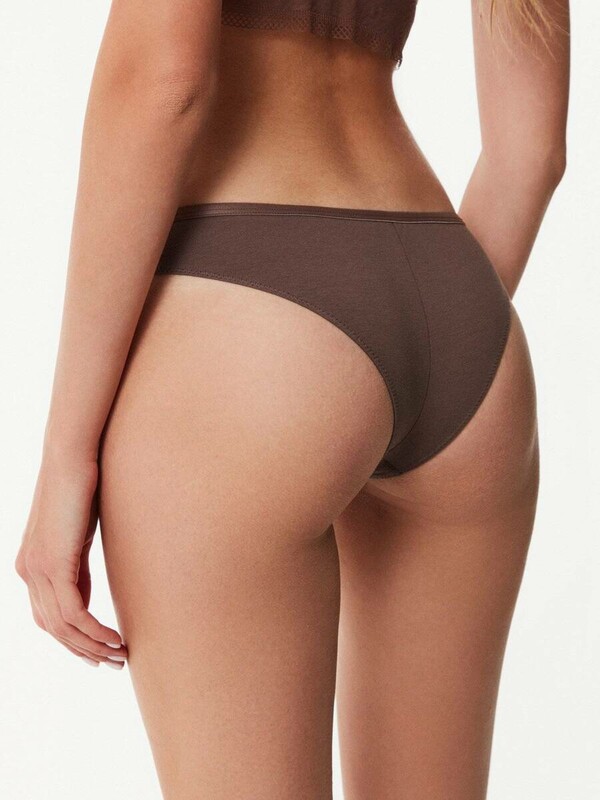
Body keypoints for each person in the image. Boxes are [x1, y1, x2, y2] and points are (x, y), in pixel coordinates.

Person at [15, 1, 570, 797]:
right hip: (460, 316)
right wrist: (431, 336)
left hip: (252, 315)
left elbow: (163, 81)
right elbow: (531, 150)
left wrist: (67, 451)